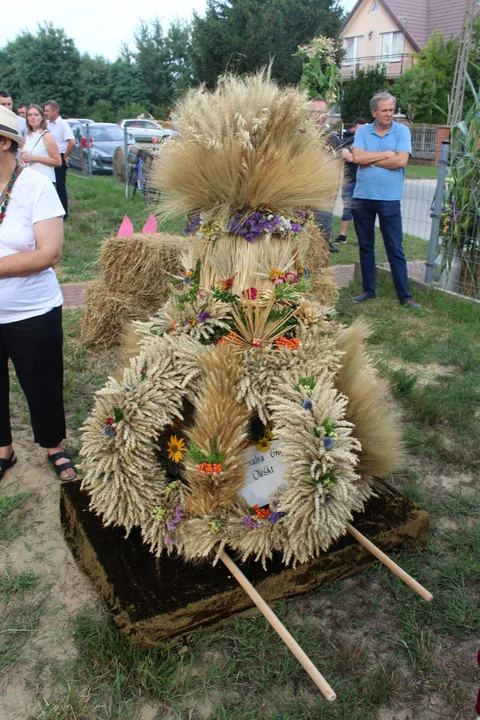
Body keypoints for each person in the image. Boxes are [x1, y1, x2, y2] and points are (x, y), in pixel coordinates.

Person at [0, 107, 76, 483]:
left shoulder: (35, 187)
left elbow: (50, 253)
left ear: (4, 143)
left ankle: (53, 446)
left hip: (31, 310)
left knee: (41, 382)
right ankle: (4, 450)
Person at [351, 92, 421, 309]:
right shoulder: (363, 130)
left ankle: (405, 296)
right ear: (374, 112)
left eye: (392, 110)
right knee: (366, 246)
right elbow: (357, 158)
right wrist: (385, 155)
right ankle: (368, 290)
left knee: (395, 247)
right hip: (362, 197)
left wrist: (371, 161)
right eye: (384, 110)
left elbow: (401, 161)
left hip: (389, 199)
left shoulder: (402, 131)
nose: (389, 114)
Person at [310, 97, 341, 253]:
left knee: (321, 245)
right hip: (300, 198)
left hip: (323, 200)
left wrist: (332, 200)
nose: (319, 116)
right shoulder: (297, 137)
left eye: (322, 112)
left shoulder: (332, 140)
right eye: (315, 112)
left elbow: (336, 173)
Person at [333, 117, 367, 245]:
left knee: (363, 211)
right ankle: (342, 236)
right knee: (347, 209)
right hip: (349, 181)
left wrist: (356, 157)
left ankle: (362, 238)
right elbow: (342, 153)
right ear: (354, 129)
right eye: (359, 129)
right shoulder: (348, 142)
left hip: (363, 182)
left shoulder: (369, 144)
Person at [44, 100, 75, 219]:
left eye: (47, 111)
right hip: (49, 156)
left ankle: (63, 213)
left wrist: (65, 156)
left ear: (55, 111)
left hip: (60, 155)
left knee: (60, 185)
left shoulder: (63, 125)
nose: (45, 113)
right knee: (48, 184)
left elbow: (72, 142)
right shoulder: (47, 124)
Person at [19, 104, 61, 182]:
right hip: (28, 179)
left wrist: (34, 158)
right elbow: (21, 160)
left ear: (42, 117)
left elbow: (58, 161)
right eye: (30, 115)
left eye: (36, 114)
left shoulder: (46, 136)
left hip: (44, 180)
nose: (33, 117)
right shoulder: (27, 136)